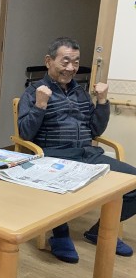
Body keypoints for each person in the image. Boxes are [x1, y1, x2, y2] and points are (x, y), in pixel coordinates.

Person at [18, 36, 135, 263]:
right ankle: (60, 234)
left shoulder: (80, 93)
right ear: (49, 61)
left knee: (133, 182)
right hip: (55, 157)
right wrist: (40, 105)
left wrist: (102, 102)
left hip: (88, 155)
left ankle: (101, 231)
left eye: (76, 62)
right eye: (65, 61)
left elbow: (95, 130)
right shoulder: (34, 92)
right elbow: (25, 133)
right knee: (59, 186)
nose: (71, 68)